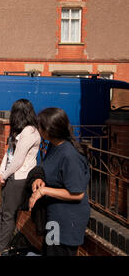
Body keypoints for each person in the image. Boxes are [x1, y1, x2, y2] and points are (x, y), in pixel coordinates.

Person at [0, 99, 41, 256]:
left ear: (19, 113)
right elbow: (9, 154)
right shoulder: (19, 131)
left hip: (20, 178)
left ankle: (0, 249)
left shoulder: (30, 132)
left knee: (9, 215)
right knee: (2, 213)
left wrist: (5, 174)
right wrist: (1, 173)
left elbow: (19, 160)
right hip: (10, 177)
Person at [30, 108, 90, 256]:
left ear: (49, 130)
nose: (38, 129)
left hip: (67, 222)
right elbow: (48, 169)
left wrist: (44, 191)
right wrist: (39, 179)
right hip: (53, 218)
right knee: (49, 251)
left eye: (40, 127)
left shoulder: (70, 156)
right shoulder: (53, 145)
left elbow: (77, 194)